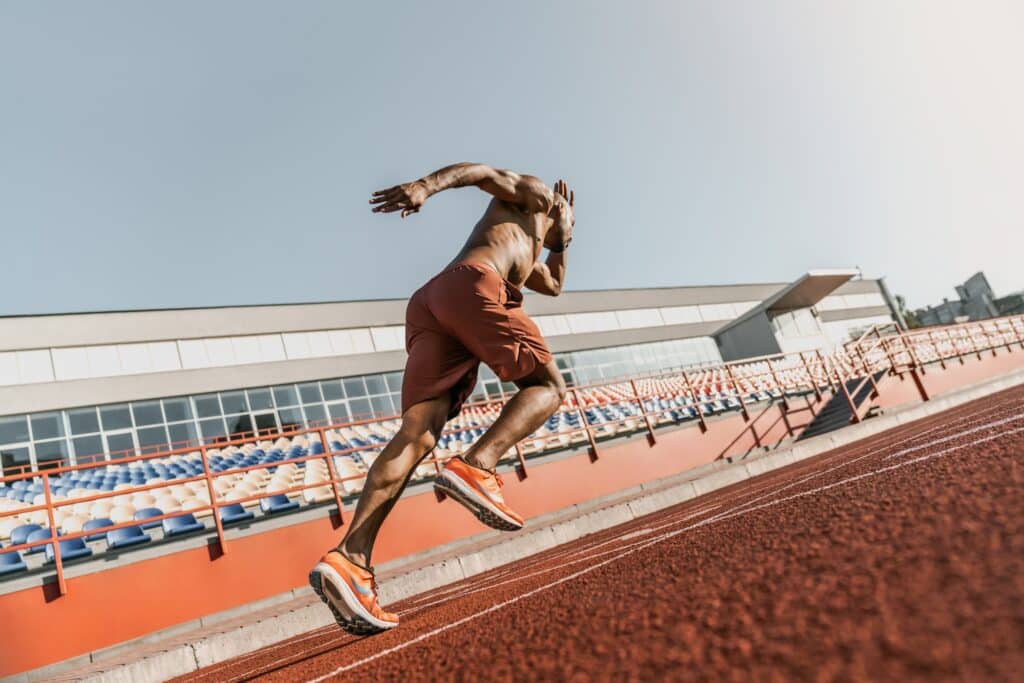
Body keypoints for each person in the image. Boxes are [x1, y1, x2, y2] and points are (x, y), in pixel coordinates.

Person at [309, 162, 575, 634]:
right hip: (472, 284)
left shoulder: (533, 246)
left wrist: (564, 243)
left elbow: (553, 285)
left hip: (433, 303)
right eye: (569, 218)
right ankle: (478, 464)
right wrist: (424, 188)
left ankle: (351, 559)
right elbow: (479, 171)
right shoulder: (536, 196)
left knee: (417, 435)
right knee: (548, 388)